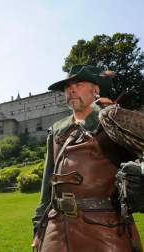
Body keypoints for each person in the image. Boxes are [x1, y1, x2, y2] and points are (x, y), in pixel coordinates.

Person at [31, 65, 143, 252]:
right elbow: (47, 185)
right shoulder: (56, 129)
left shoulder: (113, 120)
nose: (71, 89)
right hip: (56, 229)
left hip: (105, 228)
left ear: (96, 89)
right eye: (67, 87)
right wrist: (38, 225)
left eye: (79, 84)